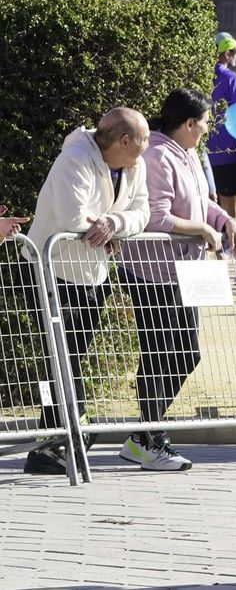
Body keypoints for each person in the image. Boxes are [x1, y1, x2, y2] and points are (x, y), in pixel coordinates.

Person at [116, 89, 236, 471]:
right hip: (151, 272)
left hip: (181, 271)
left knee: (184, 353)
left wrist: (225, 221)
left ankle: (144, 436)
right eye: (205, 122)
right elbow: (155, 217)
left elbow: (199, 200)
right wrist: (203, 230)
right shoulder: (156, 155)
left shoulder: (188, 153)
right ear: (189, 123)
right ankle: (150, 438)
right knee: (160, 354)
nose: (208, 129)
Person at [18, 109, 152, 476]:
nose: (147, 148)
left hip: (93, 275)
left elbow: (142, 213)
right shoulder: (73, 159)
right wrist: (106, 229)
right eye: (142, 141)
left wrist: (114, 224)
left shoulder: (133, 167)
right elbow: (72, 216)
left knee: (74, 356)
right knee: (59, 360)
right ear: (123, 141)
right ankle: (53, 437)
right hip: (53, 271)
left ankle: (58, 440)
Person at [208, 32, 236, 226]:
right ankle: (234, 249)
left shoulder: (199, 75)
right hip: (228, 151)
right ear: (226, 53)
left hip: (201, 152)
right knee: (231, 210)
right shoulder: (232, 79)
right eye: (235, 51)